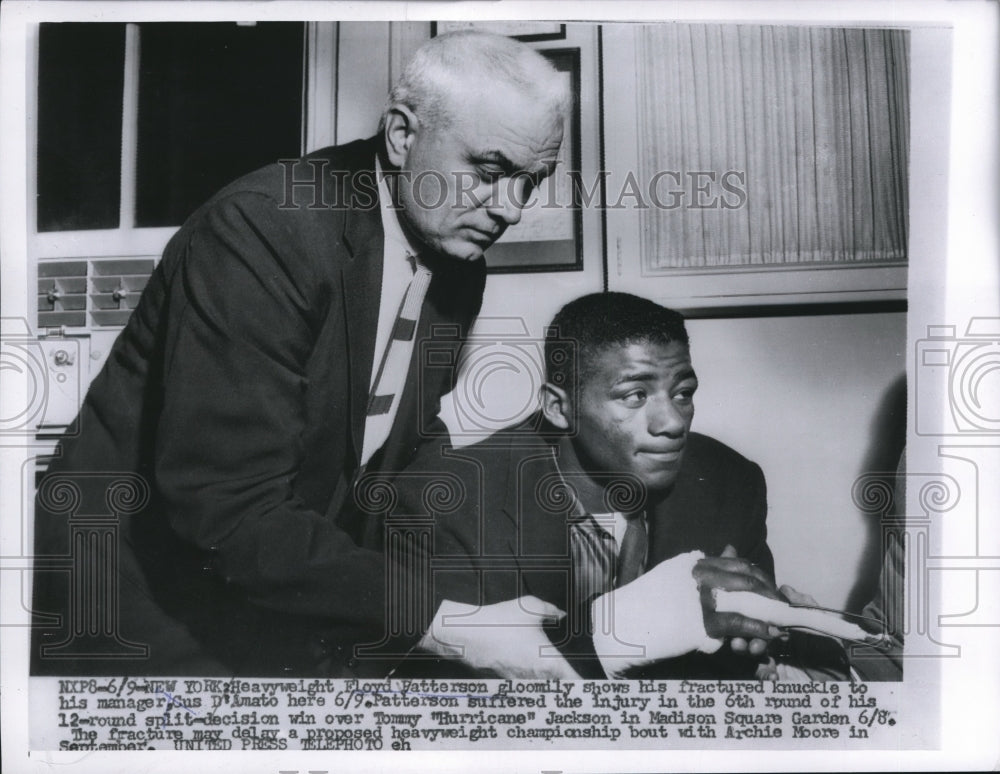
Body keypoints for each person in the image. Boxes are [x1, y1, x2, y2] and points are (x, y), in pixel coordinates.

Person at [31, 31, 568, 677]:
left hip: (270, 588)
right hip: (135, 601)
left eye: (531, 182)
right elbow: (226, 504)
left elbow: (390, 456)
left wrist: (483, 592)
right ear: (401, 135)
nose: (510, 209)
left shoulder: (459, 262)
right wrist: (445, 625)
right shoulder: (263, 229)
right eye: (489, 172)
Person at [381, 292, 788, 679]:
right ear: (559, 408)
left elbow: (752, 650)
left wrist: (762, 634)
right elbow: (449, 692)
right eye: (634, 395)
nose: (673, 422)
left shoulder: (731, 482)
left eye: (682, 393)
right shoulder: (447, 501)